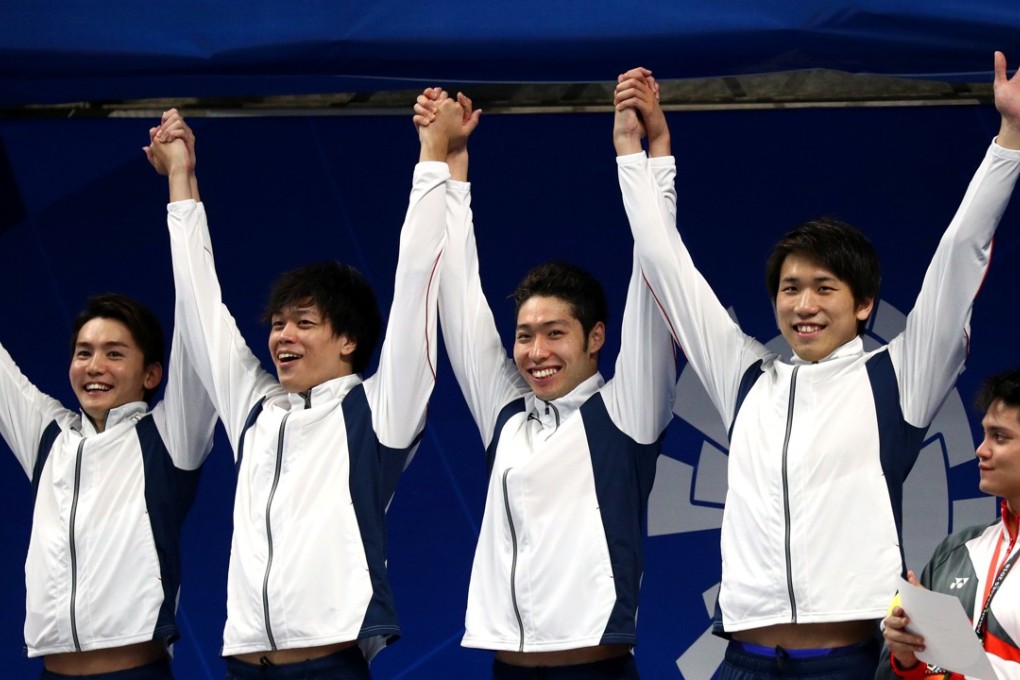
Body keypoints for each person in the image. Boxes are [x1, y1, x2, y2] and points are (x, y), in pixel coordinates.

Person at [613, 52, 1020, 679]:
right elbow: (668, 266)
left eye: (824, 288)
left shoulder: (897, 380)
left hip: (849, 664)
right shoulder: (745, 378)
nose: (803, 305)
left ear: (863, 305)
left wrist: (1010, 139)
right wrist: (641, 159)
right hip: (741, 662)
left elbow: (958, 255)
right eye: (789, 288)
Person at [146, 102, 456, 679]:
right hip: (243, 664)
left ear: (348, 340)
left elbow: (416, 283)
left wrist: (432, 157)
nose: (283, 334)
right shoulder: (256, 410)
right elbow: (199, 305)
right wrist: (180, 180)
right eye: (278, 322)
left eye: (304, 322)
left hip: (327, 665)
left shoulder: (379, 412)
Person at [414, 84, 675, 679]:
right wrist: (452, 165)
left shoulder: (626, 411)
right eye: (525, 335)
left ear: (597, 338)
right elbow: (457, 296)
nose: (535, 352)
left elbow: (657, 274)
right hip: (506, 668)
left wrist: (647, 155)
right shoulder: (506, 415)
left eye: (555, 333)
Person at [0, 287, 217, 679]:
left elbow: (197, 331)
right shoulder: (48, 438)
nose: (94, 366)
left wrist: (184, 222)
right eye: (84, 353)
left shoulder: (169, 437)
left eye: (114, 353)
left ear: (152, 374)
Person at [878, 367, 1020, 679]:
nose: (981, 450)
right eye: (984, 434)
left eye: (1000, 437)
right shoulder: (954, 553)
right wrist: (906, 658)